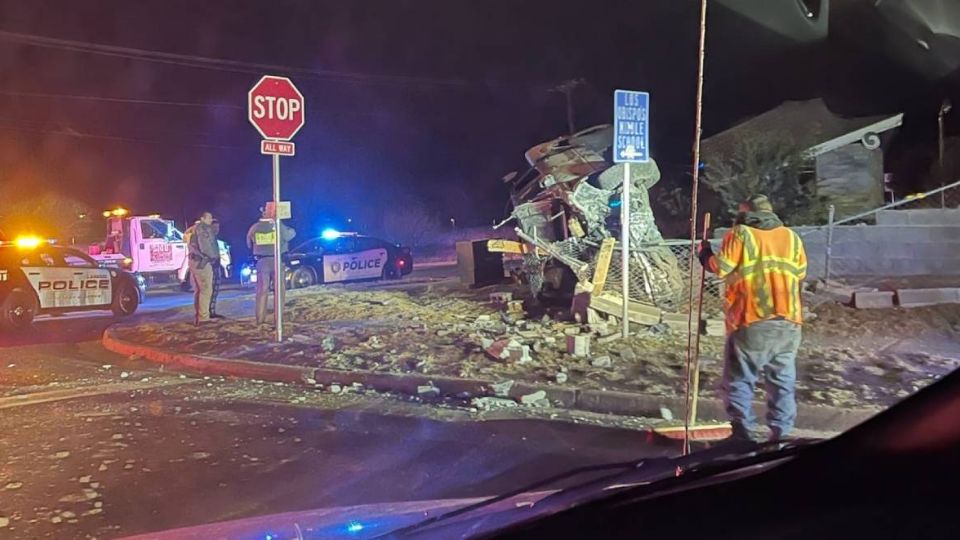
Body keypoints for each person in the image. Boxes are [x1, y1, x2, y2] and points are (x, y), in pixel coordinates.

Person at [698, 195, 807, 442]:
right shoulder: (791, 237)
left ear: (746, 213)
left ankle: (741, 433)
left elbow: (721, 267)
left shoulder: (742, 234)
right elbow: (799, 273)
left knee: (739, 378)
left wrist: (704, 254)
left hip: (753, 317)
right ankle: (780, 435)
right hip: (789, 321)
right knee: (782, 381)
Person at [246, 206, 296, 326]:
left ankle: (260, 319)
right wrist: (279, 222)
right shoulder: (277, 226)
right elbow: (290, 235)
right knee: (279, 290)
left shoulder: (254, 227)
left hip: (261, 261)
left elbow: (248, 243)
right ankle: (278, 319)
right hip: (276, 260)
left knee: (262, 291)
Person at [188, 211, 219, 325]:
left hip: (193, 261)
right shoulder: (203, 229)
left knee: (199, 290)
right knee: (206, 290)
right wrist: (213, 256)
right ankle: (204, 318)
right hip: (202, 262)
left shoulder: (192, 229)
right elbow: (205, 246)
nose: (211, 221)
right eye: (209, 218)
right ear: (203, 218)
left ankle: (198, 317)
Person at [208, 218, 224, 319]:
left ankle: (212, 310)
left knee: (215, 290)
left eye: (218, 227)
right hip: (212, 266)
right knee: (211, 290)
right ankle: (210, 311)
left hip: (216, 266)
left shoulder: (214, 238)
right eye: (215, 227)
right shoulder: (209, 238)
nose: (217, 229)